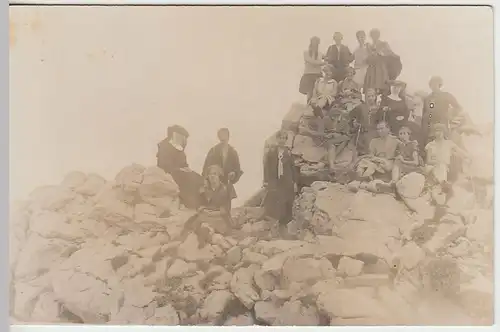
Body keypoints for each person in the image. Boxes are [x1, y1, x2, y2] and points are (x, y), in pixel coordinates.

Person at [180, 165, 231, 246]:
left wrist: (212, 213)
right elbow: (198, 205)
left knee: (209, 225)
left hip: (219, 217)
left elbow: (225, 209)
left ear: (219, 176)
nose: (212, 176)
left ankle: (206, 235)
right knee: (194, 222)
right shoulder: (203, 189)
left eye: (214, 174)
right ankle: (203, 235)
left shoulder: (224, 190)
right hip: (206, 214)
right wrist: (204, 210)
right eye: (210, 174)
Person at [156, 125, 204, 209]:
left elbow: (184, 163)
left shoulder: (179, 149)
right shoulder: (164, 147)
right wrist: (179, 169)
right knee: (188, 179)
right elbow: (163, 164)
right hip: (168, 172)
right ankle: (189, 204)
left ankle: (199, 203)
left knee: (199, 179)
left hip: (180, 172)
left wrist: (186, 168)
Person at [424, 123, 470, 204]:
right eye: (436, 131)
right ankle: (443, 184)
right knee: (440, 166)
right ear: (434, 133)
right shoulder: (431, 145)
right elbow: (429, 161)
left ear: (444, 132)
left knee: (443, 167)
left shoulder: (449, 143)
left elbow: (460, 152)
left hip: (444, 168)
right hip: (432, 167)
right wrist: (439, 161)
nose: (438, 133)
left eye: (440, 131)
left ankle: (442, 185)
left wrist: (467, 157)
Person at [263, 130, 298, 232]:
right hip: (275, 180)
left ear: (286, 140)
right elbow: (267, 167)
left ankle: (285, 224)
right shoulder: (272, 152)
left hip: (287, 180)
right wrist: (266, 180)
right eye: (280, 138)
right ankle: (275, 224)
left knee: (287, 201)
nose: (282, 140)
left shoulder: (288, 153)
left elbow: (293, 168)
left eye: (284, 138)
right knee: (275, 201)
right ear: (277, 139)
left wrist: (295, 182)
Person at [202, 128, 243, 211]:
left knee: (226, 210)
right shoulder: (213, 151)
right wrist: (207, 180)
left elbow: (237, 169)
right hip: (214, 185)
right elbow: (206, 168)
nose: (223, 138)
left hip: (227, 185)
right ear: (218, 137)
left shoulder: (233, 152)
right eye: (221, 136)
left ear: (228, 137)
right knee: (213, 208)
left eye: (225, 136)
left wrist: (234, 174)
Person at [421, 76, 462, 148]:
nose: (433, 86)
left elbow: (457, 107)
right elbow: (425, 113)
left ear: (440, 84)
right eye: (431, 84)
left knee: (443, 145)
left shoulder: (446, 95)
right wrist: (425, 128)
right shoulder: (427, 98)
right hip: (431, 127)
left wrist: (451, 117)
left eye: (435, 83)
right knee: (431, 146)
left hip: (443, 124)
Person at [349, 88, 380, 156]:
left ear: (375, 97)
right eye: (368, 96)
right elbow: (351, 115)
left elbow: (380, 121)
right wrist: (354, 123)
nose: (371, 98)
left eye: (372, 96)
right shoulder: (361, 107)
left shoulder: (378, 108)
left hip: (374, 131)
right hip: (363, 131)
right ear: (366, 97)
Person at [309, 64, 339, 132]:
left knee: (323, 100)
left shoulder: (334, 82)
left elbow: (334, 93)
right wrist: (314, 98)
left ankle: (318, 111)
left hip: (328, 100)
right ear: (324, 72)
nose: (329, 73)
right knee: (314, 102)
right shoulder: (319, 81)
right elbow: (315, 91)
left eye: (331, 72)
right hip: (318, 99)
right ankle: (321, 118)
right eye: (327, 71)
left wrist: (325, 95)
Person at [363, 29, 393, 94]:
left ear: (378, 36)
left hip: (381, 70)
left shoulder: (384, 44)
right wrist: (370, 55)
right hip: (371, 70)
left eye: (376, 35)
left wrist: (380, 53)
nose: (374, 37)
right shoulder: (369, 46)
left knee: (381, 87)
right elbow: (367, 60)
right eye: (372, 35)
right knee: (371, 89)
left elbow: (390, 53)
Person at [299, 36, 326, 102]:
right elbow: (312, 62)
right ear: (311, 43)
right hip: (309, 74)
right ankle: (308, 105)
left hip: (317, 74)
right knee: (310, 92)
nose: (315, 45)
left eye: (317, 43)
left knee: (318, 92)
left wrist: (327, 61)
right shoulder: (306, 53)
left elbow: (327, 58)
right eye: (314, 43)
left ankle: (316, 107)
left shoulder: (320, 53)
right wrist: (323, 63)